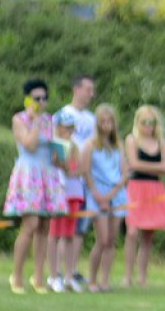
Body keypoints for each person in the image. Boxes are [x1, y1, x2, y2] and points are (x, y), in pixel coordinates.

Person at [4, 78, 67, 294]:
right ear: (28, 99)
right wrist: (37, 123)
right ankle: (17, 275)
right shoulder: (19, 119)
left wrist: (62, 153)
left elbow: (56, 152)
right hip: (28, 174)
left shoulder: (50, 121)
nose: (41, 102)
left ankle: (38, 276)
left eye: (44, 98)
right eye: (36, 98)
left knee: (44, 227)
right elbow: (29, 145)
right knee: (29, 225)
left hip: (48, 174)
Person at [55, 74, 97, 292]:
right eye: (88, 89)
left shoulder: (91, 119)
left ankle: (71, 271)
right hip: (64, 180)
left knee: (77, 229)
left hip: (82, 180)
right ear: (76, 89)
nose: (91, 94)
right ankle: (59, 272)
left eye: (92, 90)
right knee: (61, 228)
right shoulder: (63, 114)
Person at [123, 105, 165, 288]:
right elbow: (133, 164)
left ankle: (142, 277)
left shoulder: (162, 142)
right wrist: (156, 166)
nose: (148, 126)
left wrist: (140, 165)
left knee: (147, 235)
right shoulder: (132, 140)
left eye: (151, 122)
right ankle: (127, 276)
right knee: (132, 232)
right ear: (138, 122)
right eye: (144, 122)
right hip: (136, 189)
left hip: (155, 190)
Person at [82, 104, 128, 293]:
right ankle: (91, 279)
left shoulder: (118, 145)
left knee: (111, 241)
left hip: (116, 195)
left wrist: (113, 192)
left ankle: (105, 280)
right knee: (102, 239)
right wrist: (99, 196)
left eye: (110, 121)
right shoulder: (91, 145)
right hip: (97, 195)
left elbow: (124, 172)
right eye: (103, 122)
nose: (107, 125)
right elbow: (86, 172)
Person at [46, 111, 83, 293]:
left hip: (73, 193)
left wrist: (68, 166)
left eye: (70, 127)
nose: (68, 131)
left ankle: (69, 275)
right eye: (65, 127)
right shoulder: (52, 146)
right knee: (54, 235)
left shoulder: (75, 146)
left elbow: (77, 169)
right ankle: (53, 275)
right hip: (57, 193)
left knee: (69, 235)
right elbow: (55, 167)